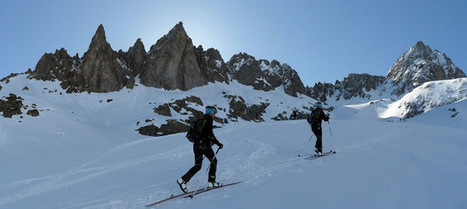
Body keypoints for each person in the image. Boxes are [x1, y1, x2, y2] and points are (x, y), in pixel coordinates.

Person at [177, 106, 224, 193]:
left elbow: (204, 134)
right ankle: (212, 182)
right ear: (211, 113)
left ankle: (182, 180)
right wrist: (218, 143)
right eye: (214, 113)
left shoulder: (201, 120)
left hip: (196, 145)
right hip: (204, 145)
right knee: (214, 161)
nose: (214, 115)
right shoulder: (208, 120)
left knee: (198, 165)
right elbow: (209, 134)